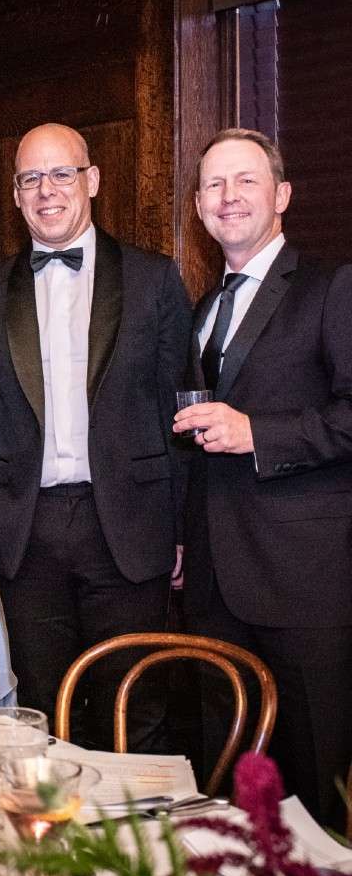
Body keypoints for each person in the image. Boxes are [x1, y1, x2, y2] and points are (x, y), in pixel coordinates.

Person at [0, 123, 191, 751]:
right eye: (31, 178)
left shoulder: (152, 279)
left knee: (133, 706)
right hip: (26, 527)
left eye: (61, 173)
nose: (46, 189)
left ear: (92, 181)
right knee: (45, 704)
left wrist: (182, 529)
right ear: (14, 194)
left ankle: (125, 843)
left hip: (129, 520)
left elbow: (181, 411)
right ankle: (55, 842)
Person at [175, 128, 352, 827]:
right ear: (197, 206)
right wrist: (184, 541)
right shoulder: (203, 309)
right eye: (215, 185)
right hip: (217, 586)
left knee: (316, 799)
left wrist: (260, 434)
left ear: (281, 195)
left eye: (245, 180)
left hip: (305, 583)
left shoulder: (331, 287)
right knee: (237, 803)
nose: (229, 197)